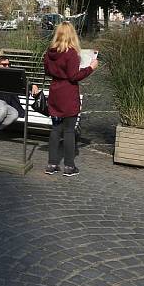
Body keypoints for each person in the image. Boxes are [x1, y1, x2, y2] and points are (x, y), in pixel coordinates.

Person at [43, 22, 98, 177]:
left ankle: (52, 164)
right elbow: (74, 76)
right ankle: (69, 166)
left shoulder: (50, 51)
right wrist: (90, 68)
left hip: (55, 91)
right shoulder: (71, 53)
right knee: (68, 131)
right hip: (68, 92)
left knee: (55, 130)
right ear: (72, 34)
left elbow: (47, 70)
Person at [0, 55, 39, 147]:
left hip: (3, 105)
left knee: (14, 114)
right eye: (4, 65)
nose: (7, 67)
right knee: (2, 108)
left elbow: (22, 83)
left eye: (8, 64)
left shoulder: (11, 76)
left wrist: (33, 85)